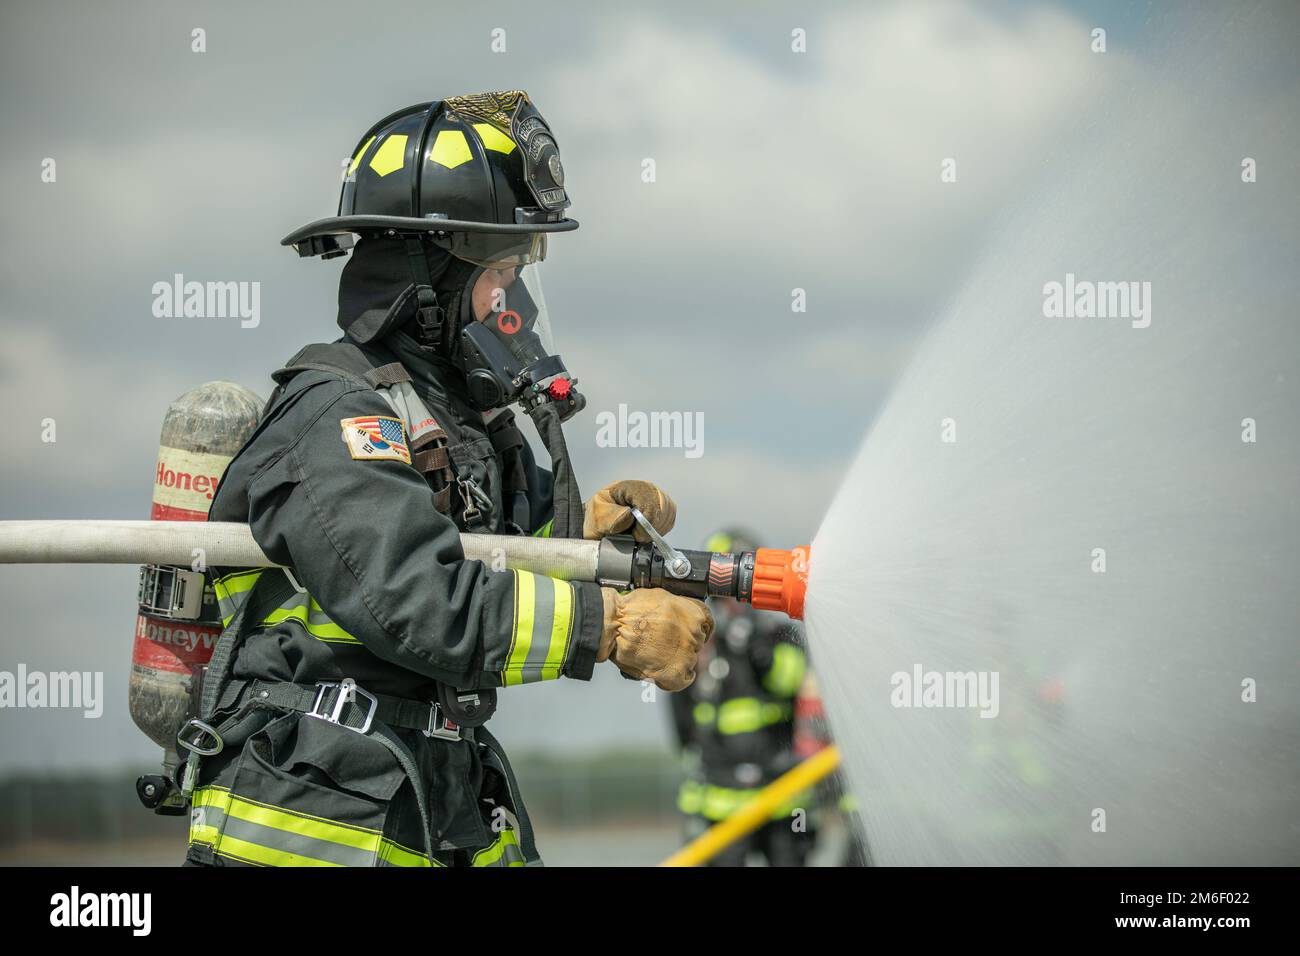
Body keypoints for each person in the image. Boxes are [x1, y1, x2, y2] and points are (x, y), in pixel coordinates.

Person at [180, 90, 714, 867]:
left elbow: (499, 561)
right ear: (423, 281)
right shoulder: (338, 415)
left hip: (430, 785)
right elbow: (418, 601)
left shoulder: (457, 422)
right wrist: (610, 628)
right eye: (502, 272)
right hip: (313, 809)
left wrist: (587, 535)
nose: (516, 308)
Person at [670, 528, 811, 866]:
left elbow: (789, 681)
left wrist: (757, 649)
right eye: (724, 592)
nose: (734, 602)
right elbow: (681, 719)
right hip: (720, 803)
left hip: (781, 799)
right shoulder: (699, 647)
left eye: (739, 590)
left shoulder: (779, 636)